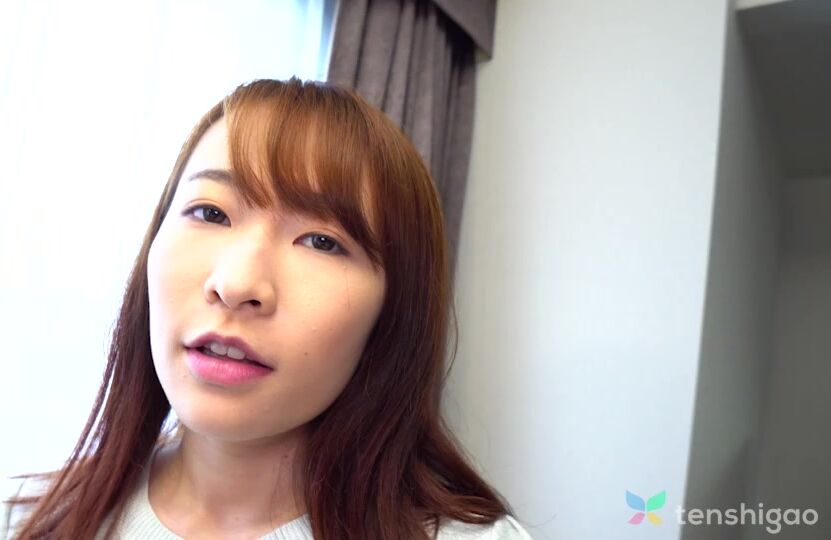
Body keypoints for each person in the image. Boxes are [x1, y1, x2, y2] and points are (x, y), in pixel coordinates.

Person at [1, 78, 533, 539]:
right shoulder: (24, 521)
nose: (235, 285)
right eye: (210, 212)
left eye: (321, 242)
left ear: (393, 314)